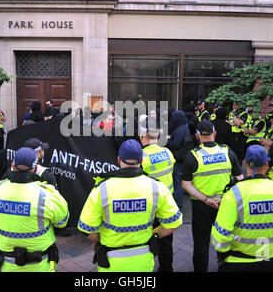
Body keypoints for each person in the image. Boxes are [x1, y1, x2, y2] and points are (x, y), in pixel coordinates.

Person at [78, 139, 182, 272]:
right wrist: (153, 235)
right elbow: (175, 222)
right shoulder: (156, 187)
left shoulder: (102, 189)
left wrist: (100, 241)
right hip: (143, 262)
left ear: (119, 159)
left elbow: (86, 228)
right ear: (142, 161)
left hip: (111, 263)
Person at [0, 147, 69, 272]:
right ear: (36, 168)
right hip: (41, 266)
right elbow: (62, 222)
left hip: (7, 266)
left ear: (13, 166)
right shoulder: (47, 194)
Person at [211, 145, 273, 272]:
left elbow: (221, 236)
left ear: (245, 163)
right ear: (267, 165)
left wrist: (224, 253)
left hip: (239, 262)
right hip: (270, 260)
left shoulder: (234, 193)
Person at [181, 121, 243, 272]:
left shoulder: (192, 156)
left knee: (201, 243)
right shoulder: (227, 152)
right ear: (214, 134)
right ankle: (224, 267)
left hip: (202, 206)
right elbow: (240, 178)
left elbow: (186, 184)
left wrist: (207, 200)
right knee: (224, 238)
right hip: (225, 205)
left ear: (197, 136)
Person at [140, 116, 176, 272]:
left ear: (142, 134)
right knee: (166, 238)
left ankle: (147, 266)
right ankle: (167, 268)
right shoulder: (167, 152)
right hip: (166, 202)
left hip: (149, 205)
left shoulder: (141, 156)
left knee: (146, 236)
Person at [166, 110, 192, 209]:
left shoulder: (180, 129)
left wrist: (167, 140)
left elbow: (176, 144)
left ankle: (178, 206)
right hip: (182, 157)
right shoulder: (184, 127)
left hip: (178, 159)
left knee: (177, 183)